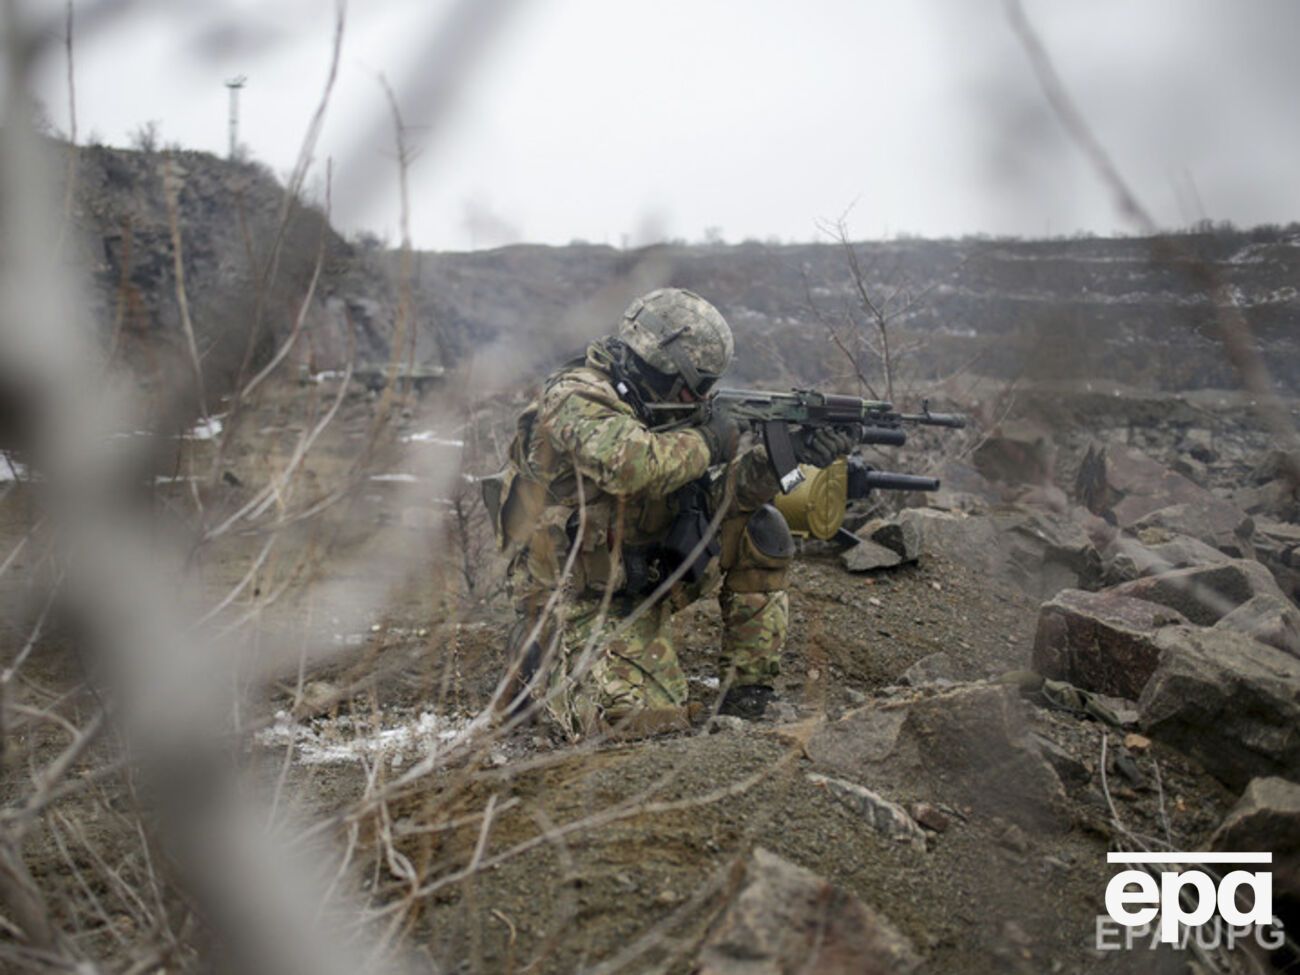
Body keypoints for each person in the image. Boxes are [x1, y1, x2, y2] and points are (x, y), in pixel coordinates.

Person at [486, 287, 857, 738]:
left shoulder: (662, 405)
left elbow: (718, 499)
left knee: (761, 528)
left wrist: (786, 457)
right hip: (578, 595)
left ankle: (748, 692)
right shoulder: (575, 397)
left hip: (647, 565)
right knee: (637, 726)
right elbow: (633, 467)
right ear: (661, 368)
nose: (703, 396)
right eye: (698, 385)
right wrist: (711, 439)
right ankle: (536, 657)